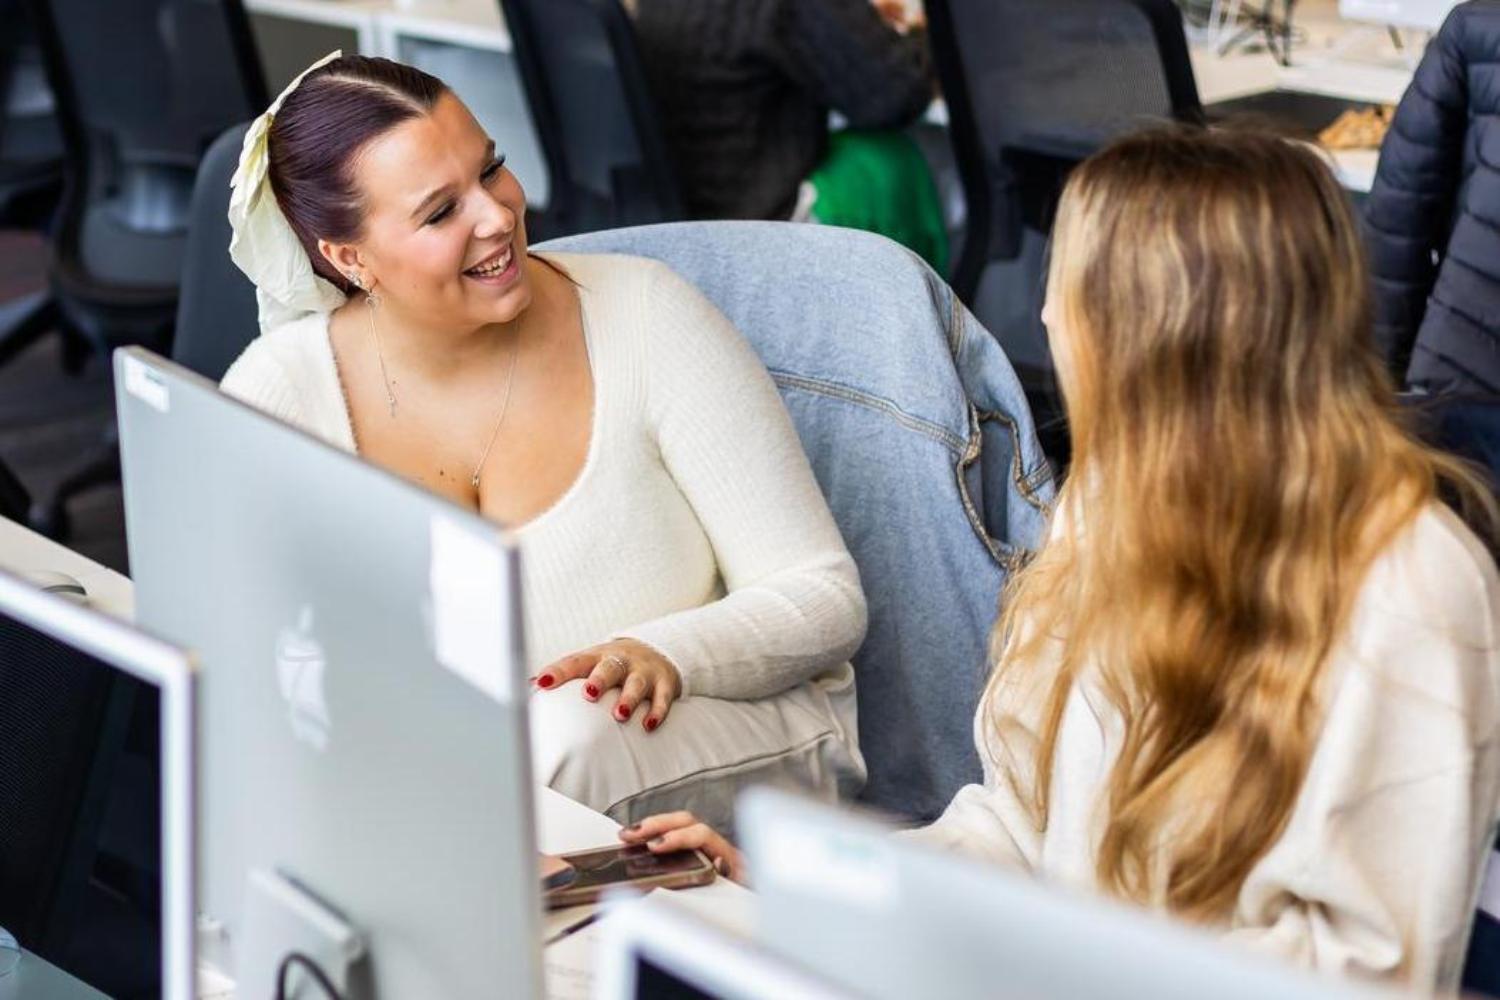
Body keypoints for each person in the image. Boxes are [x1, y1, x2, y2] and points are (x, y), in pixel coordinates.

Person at [621, 127, 1500, 992]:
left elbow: (1373, 975)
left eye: (1069, 288)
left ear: (1162, 334)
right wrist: (813, 893)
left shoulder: (1413, 590)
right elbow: (1014, 826)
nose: (1044, 315)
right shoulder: (1107, 503)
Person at [218, 54, 868, 831]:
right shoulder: (280, 393)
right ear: (347, 258)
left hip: (726, 725)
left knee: (559, 736)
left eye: (491, 171)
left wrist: (662, 651)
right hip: (457, 789)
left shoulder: (648, 316)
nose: (496, 216)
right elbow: (244, 657)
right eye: (439, 212)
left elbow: (824, 593)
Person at [625, 0, 942, 265]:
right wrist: (926, 36)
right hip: (768, 224)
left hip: (689, 224)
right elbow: (896, 93)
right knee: (922, 155)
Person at [1365, 1, 1500, 395]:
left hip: (1464, 369)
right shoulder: (1474, 30)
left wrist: (1380, 376)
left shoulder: (1476, 26)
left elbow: (1398, 217)